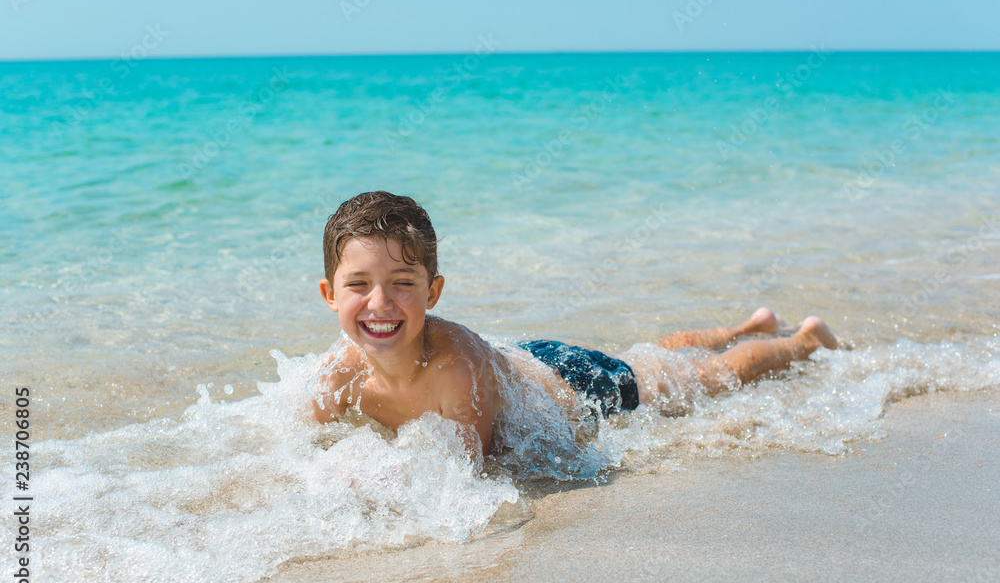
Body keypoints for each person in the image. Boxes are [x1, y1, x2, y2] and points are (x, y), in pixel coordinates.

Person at [312, 191, 839, 457]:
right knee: (650, 356)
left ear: (433, 292)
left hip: (573, 383)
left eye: (402, 282)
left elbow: (467, 477)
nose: (379, 302)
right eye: (359, 284)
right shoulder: (336, 374)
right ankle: (749, 323)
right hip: (523, 363)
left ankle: (803, 341)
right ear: (330, 296)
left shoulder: (455, 366)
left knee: (700, 379)